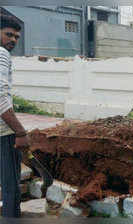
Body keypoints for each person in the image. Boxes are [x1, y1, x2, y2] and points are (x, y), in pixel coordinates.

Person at [0, 14, 30, 218]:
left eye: (17, 37)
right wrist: (20, 131)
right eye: (8, 34)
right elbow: (0, 96)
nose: (13, 40)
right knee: (11, 187)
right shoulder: (1, 54)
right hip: (4, 132)